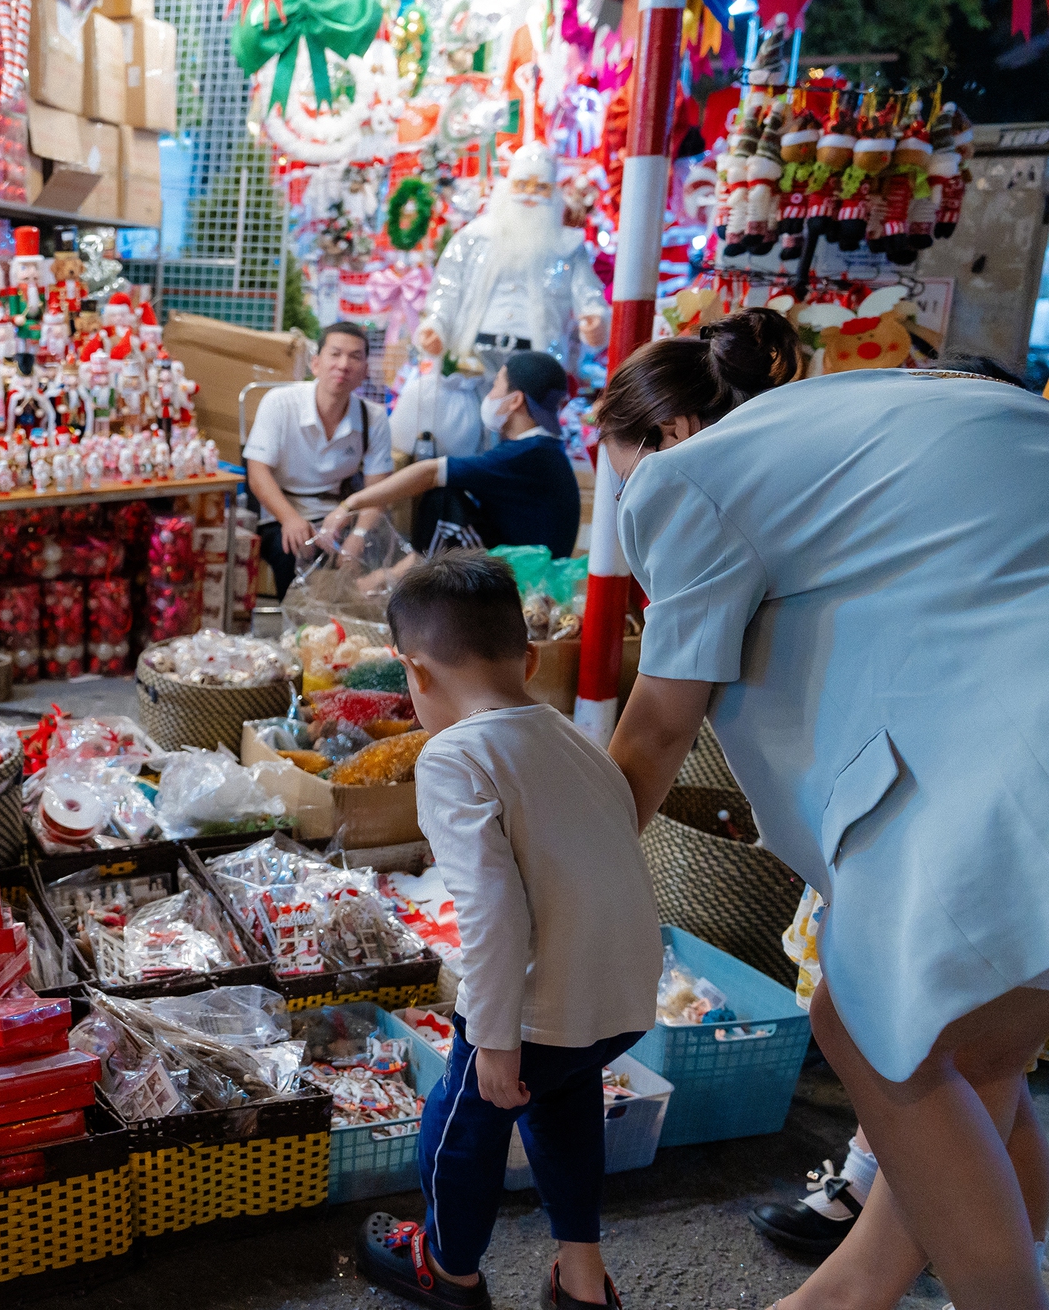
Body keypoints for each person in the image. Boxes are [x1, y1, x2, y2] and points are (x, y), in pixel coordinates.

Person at [599, 312, 1049, 1310]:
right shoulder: (912, 402)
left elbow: (654, 730)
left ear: (670, 432)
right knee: (974, 1053)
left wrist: (559, 883)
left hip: (1020, 768)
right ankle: (843, 1293)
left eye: (619, 476)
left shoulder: (688, 481)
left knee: (861, 1016)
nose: (628, 516)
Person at [357, 551, 661, 1310]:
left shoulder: (454, 757)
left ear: (414, 674)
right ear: (527, 658)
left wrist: (493, 1038)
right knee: (564, 1105)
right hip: (616, 998)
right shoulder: (571, 738)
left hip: (529, 1011)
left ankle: (447, 1268)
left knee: (461, 1125)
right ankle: (582, 1276)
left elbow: (494, 912)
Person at [319, 350, 580, 560]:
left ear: (515, 401)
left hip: (522, 576)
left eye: (496, 385)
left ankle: (416, 590)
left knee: (442, 501)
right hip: (522, 557)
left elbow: (429, 473)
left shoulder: (528, 453)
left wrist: (349, 504)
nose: (489, 395)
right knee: (451, 495)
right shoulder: (543, 449)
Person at [414, 141, 608, 376]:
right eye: (522, 184)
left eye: (540, 188)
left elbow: (587, 293)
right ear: (508, 187)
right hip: (473, 359)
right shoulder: (475, 236)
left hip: (538, 361)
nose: (530, 195)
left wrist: (595, 319)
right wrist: (436, 324)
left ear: (553, 193)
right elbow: (448, 287)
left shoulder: (567, 247)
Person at [242, 321, 391, 595]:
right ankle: (299, 630)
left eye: (355, 357)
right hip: (281, 511)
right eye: (335, 354)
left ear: (365, 371)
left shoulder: (374, 418)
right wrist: (289, 518)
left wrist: (357, 536)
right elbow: (257, 474)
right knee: (295, 551)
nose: (344, 364)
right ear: (316, 363)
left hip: (337, 514)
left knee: (380, 550)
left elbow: (378, 491)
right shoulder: (280, 403)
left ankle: (355, 628)